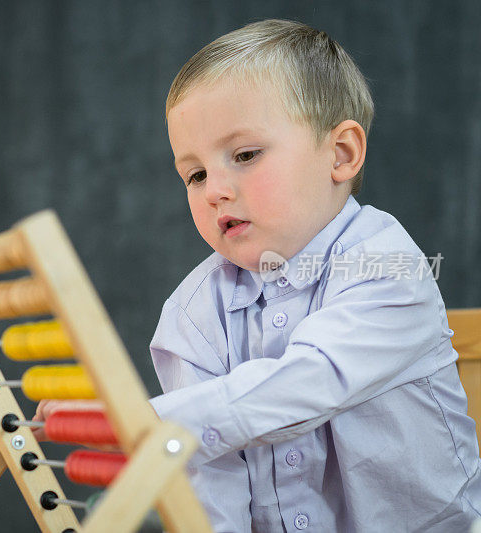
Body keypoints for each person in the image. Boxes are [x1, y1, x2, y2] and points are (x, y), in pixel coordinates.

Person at [36, 19, 481, 531]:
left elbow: (307, 384)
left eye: (245, 155)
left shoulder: (386, 267)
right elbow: (209, 481)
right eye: (195, 174)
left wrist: (148, 423)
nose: (214, 190)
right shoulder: (193, 316)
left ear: (341, 155)